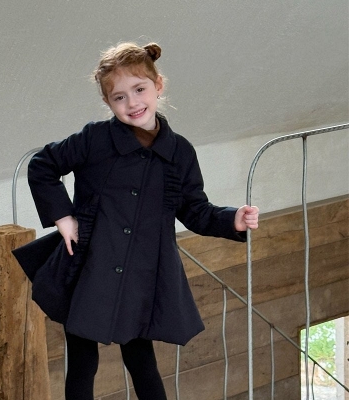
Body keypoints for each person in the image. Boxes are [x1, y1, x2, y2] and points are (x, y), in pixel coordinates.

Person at [27, 42, 259, 400]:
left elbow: (194, 210)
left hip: (141, 274)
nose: (132, 103)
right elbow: (43, 165)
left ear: (158, 86)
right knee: (83, 361)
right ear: (107, 102)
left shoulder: (179, 152)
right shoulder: (94, 139)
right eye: (119, 97)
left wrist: (233, 220)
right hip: (89, 267)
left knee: (141, 361)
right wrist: (64, 218)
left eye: (139, 90)